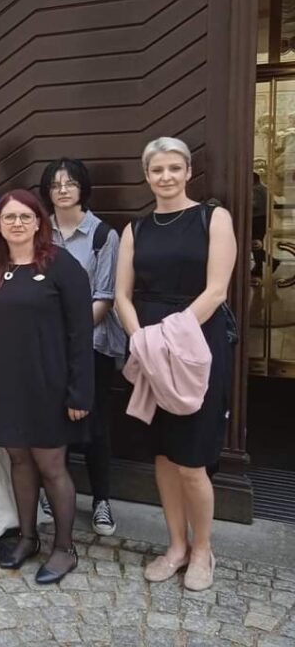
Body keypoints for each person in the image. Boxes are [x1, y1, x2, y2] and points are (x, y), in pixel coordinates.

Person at [115, 137, 236, 592]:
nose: (165, 177)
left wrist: (169, 337)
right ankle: (176, 546)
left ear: (187, 172)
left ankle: (203, 549)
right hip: (149, 347)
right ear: (147, 176)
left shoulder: (213, 218)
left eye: (173, 168)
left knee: (192, 460)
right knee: (164, 456)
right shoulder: (136, 229)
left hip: (196, 344)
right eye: (156, 170)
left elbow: (217, 290)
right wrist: (141, 340)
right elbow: (122, 295)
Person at [0, 189, 94, 584]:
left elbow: (81, 333)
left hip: (49, 385)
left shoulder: (62, 265)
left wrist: (80, 392)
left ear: (39, 223)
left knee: (51, 466)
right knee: (19, 461)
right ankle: (27, 537)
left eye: (25, 217)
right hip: (6, 386)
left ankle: (64, 548)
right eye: (9, 217)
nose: (17, 224)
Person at [40, 158, 127, 537]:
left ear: (82, 188)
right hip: (47, 347)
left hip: (91, 344)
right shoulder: (39, 232)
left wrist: (69, 335)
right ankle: (50, 492)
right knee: (50, 421)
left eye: (70, 183)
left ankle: (102, 499)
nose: (62, 190)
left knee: (95, 424)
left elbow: (105, 296)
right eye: (55, 184)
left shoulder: (103, 235)